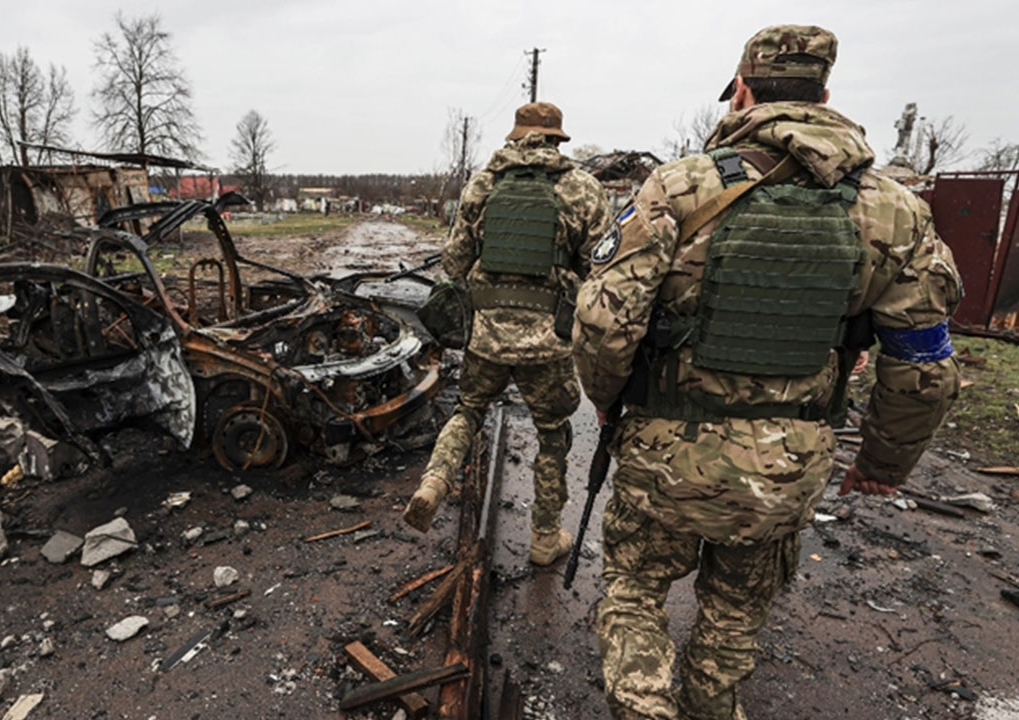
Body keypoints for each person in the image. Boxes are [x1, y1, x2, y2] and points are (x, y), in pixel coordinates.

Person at [573, 25, 962, 719]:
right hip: (788, 466)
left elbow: (604, 322)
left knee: (634, 590)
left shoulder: (678, 188)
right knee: (734, 611)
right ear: (825, 95)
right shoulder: (897, 211)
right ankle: (713, 705)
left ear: (743, 92)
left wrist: (607, 400)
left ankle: (642, 708)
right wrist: (882, 462)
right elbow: (923, 367)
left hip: (665, 455)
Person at [403, 101, 611, 566]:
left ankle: (434, 481)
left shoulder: (482, 184)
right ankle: (543, 537)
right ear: (558, 140)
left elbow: (454, 263)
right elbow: (601, 268)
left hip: (486, 337)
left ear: (515, 138)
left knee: (468, 411)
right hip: (549, 343)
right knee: (553, 433)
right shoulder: (581, 188)